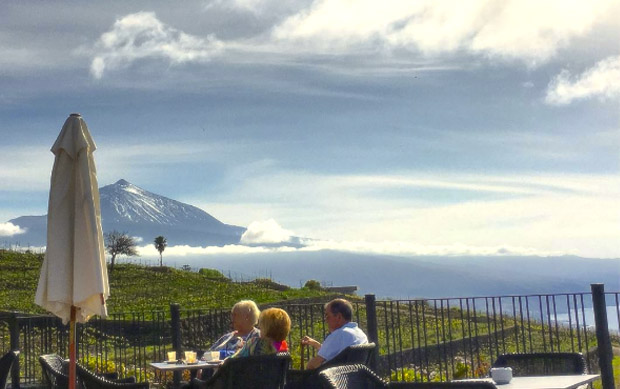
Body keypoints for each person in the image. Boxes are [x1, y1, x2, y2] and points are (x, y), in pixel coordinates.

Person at [301, 298, 368, 369]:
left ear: (338, 317)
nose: (326, 320)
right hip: (355, 376)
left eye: (327, 316)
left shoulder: (339, 334)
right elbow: (335, 353)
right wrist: (315, 344)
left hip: (335, 378)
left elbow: (312, 365)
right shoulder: (360, 334)